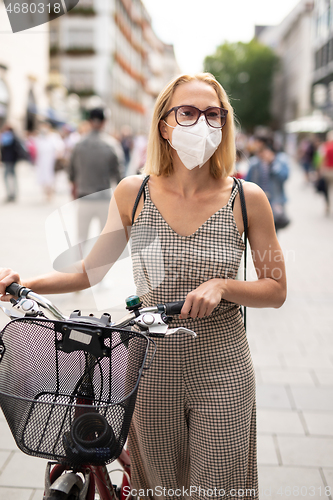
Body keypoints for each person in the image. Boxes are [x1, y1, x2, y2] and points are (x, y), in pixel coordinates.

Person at [0, 73, 287, 498]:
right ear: (164, 124)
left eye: (213, 114)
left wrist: (224, 286)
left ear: (225, 125)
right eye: (187, 113)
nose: (201, 123)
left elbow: (276, 288)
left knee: (221, 488)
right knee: (160, 489)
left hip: (222, 366)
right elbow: (88, 272)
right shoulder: (133, 193)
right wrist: (25, 281)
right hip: (151, 369)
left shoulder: (249, 198)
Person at [68, 108, 123, 248]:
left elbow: (71, 171)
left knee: (81, 238)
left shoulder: (79, 144)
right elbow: (119, 175)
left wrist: (74, 190)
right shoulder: (111, 145)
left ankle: (79, 268)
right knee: (104, 240)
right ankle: (100, 269)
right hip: (104, 198)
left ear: (89, 121)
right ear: (105, 122)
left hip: (84, 196)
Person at [246, 138, 290, 230]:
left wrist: (272, 163)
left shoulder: (280, 161)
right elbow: (247, 181)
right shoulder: (254, 163)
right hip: (257, 201)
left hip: (275, 201)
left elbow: (284, 177)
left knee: (274, 229)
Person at [34, 121, 64, 201]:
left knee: (50, 178)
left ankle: (50, 194)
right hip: (41, 162)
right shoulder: (39, 138)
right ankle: (46, 193)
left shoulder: (54, 137)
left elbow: (60, 148)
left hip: (51, 161)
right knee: (42, 178)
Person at [0, 124, 27, 202]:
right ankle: (12, 194)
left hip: (10, 160)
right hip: (11, 160)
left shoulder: (9, 137)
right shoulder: (13, 137)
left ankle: (12, 194)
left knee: (8, 177)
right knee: (12, 176)